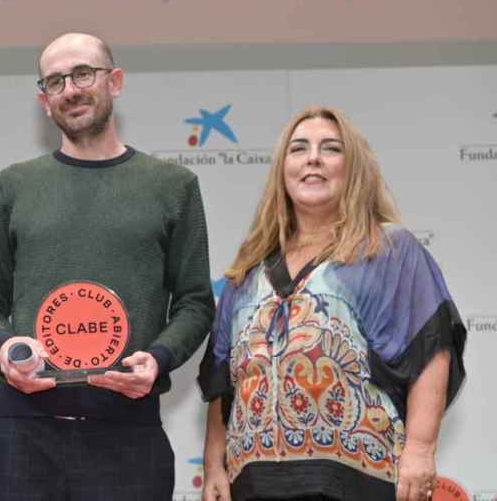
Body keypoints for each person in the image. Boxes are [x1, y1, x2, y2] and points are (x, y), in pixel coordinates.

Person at [0, 32, 216, 500]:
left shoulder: (173, 186)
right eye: (55, 81)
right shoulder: (12, 186)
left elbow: (196, 302)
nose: (71, 89)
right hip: (21, 434)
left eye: (83, 74)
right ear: (43, 100)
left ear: (114, 81)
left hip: (128, 434)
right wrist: (5, 347)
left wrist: (158, 359)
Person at [199, 106, 467, 501]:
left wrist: (420, 449)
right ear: (282, 170)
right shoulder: (249, 269)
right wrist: (213, 467)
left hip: (358, 479)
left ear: (353, 168)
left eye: (330, 148)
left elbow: (430, 349)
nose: (313, 158)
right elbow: (224, 382)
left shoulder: (389, 250)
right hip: (254, 482)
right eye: (299, 148)